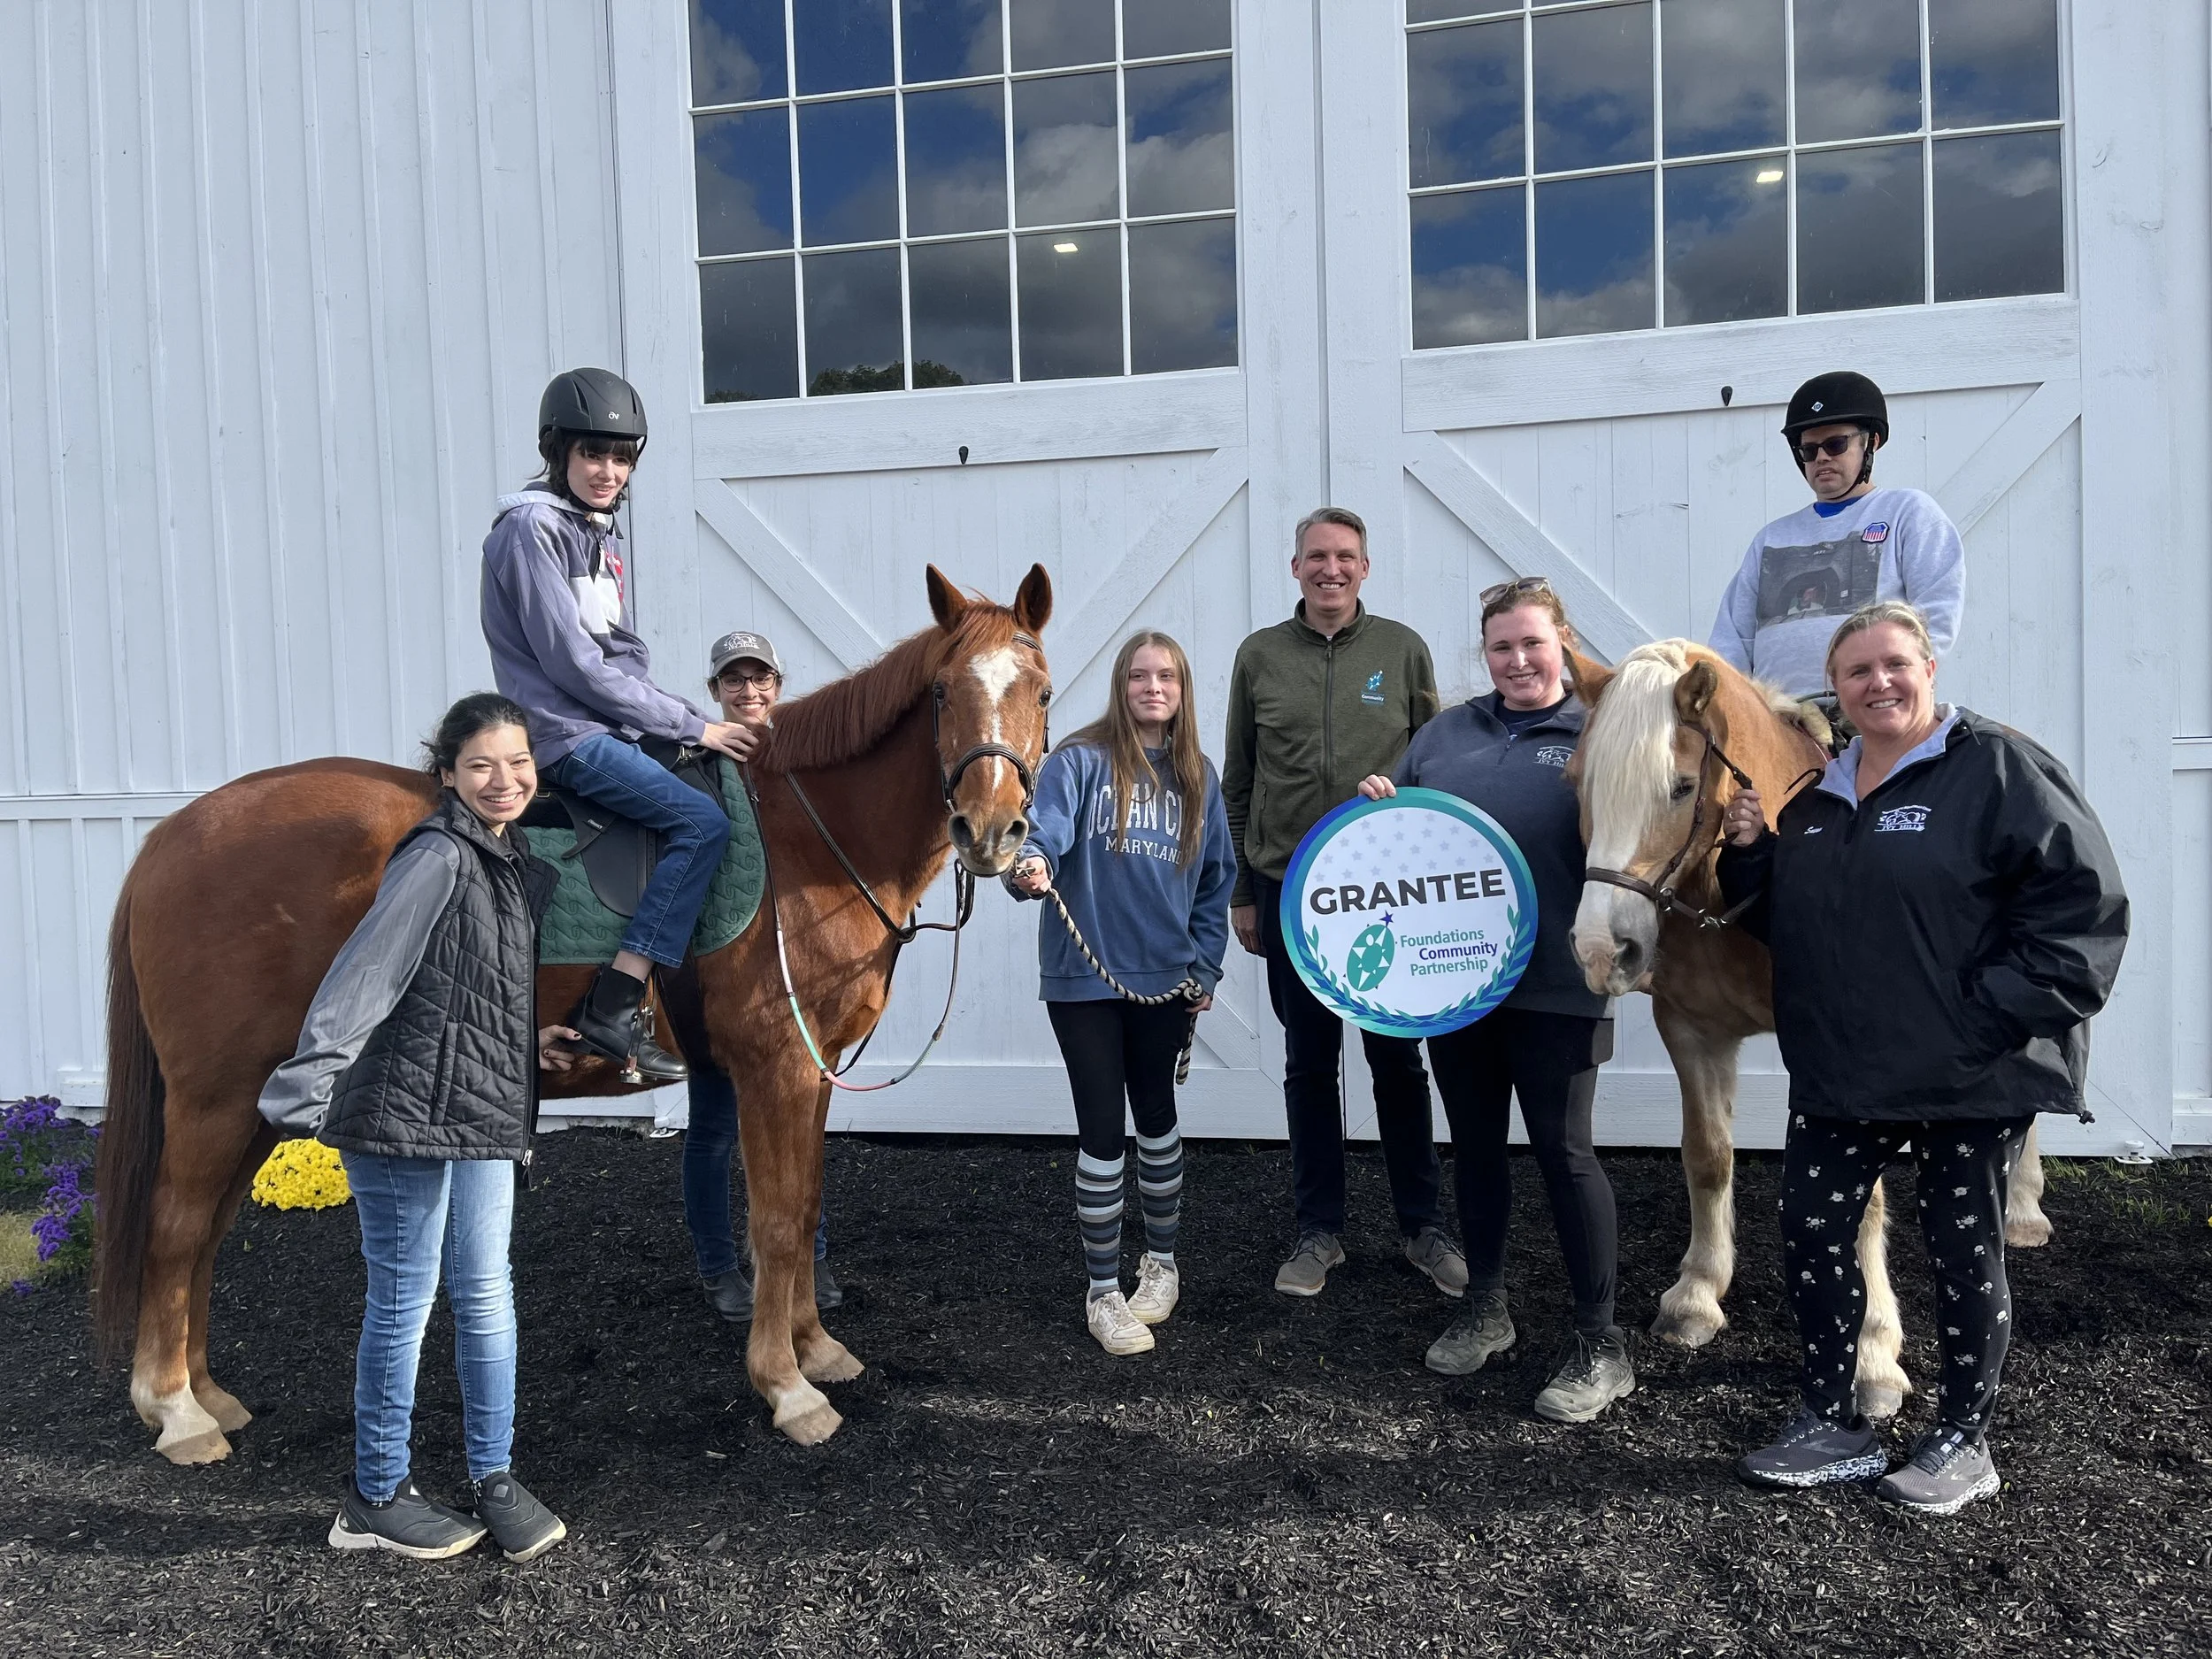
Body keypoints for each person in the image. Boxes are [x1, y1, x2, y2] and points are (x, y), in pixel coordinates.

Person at [1718, 602, 2127, 1514]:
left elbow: (2083, 909)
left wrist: (1992, 1020)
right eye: (1857, 671)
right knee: (1813, 1233)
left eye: (1894, 664)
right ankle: (1832, 1420)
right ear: (1839, 689)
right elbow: (1783, 920)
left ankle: (1961, 1439)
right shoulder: (1818, 791)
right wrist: (1749, 853)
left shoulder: (1996, 768)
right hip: (1842, 1073)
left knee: (1959, 1250)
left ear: (1928, 667)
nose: (1878, 683)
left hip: (1965, 1074)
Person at [258, 694, 576, 1562]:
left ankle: (494, 1477)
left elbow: (467, 988)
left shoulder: (508, 862)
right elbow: (370, 970)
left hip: (474, 1112)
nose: (503, 779)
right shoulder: (439, 855)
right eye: (480, 766)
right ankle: (372, 1496)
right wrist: (305, 1087)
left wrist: (525, 1040)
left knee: (486, 1299)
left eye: (516, 763)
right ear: (448, 777)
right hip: (400, 1118)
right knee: (404, 1306)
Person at [1355, 576, 1632, 1421]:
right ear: (1486, 653)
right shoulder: (1445, 734)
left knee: (1565, 1151)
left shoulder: (1602, 729)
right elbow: (1397, 842)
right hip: (1459, 984)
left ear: (1563, 642)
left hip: (1559, 981)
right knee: (1474, 1148)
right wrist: (1375, 810)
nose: (1517, 660)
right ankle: (1487, 1305)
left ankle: (1600, 1341)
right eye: (1501, 646)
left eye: (1533, 643)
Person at [480, 367, 757, 1083]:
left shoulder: (594, 533)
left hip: (609, 724)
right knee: (703, 824)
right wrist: (695, 725)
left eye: (622, 457)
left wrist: (675, 721)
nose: (608, 471)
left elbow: (622, 655)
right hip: (563, 734)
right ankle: (618, 997)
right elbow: (573, 665)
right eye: (592, 455)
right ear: (558, 453)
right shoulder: (530, 530)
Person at [1222, 506, 1466, 1299]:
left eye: (1346, 557)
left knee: (1397, 1060)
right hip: (1292, 898)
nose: (1332, 569)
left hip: (1387, 899)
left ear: (1366, 568)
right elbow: (1239, 782)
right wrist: (1244, 892)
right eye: (1317, 556)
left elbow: (1437, 767)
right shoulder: (1258, 657)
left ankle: (1422, 1227)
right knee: (1308, 1064)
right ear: (1294, 567)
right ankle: (1318, 1230)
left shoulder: (1402, 651)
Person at [1009, 632, 1234, 1356]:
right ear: (1121, 684)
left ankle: (1161, 1264)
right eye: (1138, 675)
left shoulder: (1198, 773)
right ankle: (1103, 1290)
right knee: (1103, 1129)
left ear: (1182, 686)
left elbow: (1216, 879)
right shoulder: (1078, 761)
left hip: (1165, 978)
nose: (1152, 685)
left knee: (1159, 1118)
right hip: (1084, 978)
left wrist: (1206, 963)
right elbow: (1039, 837)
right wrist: (1031, 864)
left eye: (1165, 674)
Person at [682, 629, 839, 1321]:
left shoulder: (800, 763)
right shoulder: (692, 760)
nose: (749, 691)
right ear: (714, 689)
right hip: (722, 974)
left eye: (760, 678)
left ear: (778, 684)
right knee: (714, 1124)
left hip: (788, 972)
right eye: (734, 680)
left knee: (802, 1121)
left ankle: (810, 1258)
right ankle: (719, 1263)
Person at [1709, 372, 1966, 709]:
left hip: (1872, 713)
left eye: (1835, 445)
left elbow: (1936, 615)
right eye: (1809, 450)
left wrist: (1891, 688)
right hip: (1779, 722)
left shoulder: (1908, 512)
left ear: (1871, 442)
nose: (1822, 458)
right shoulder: (1771, 538)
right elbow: (1732, 638)